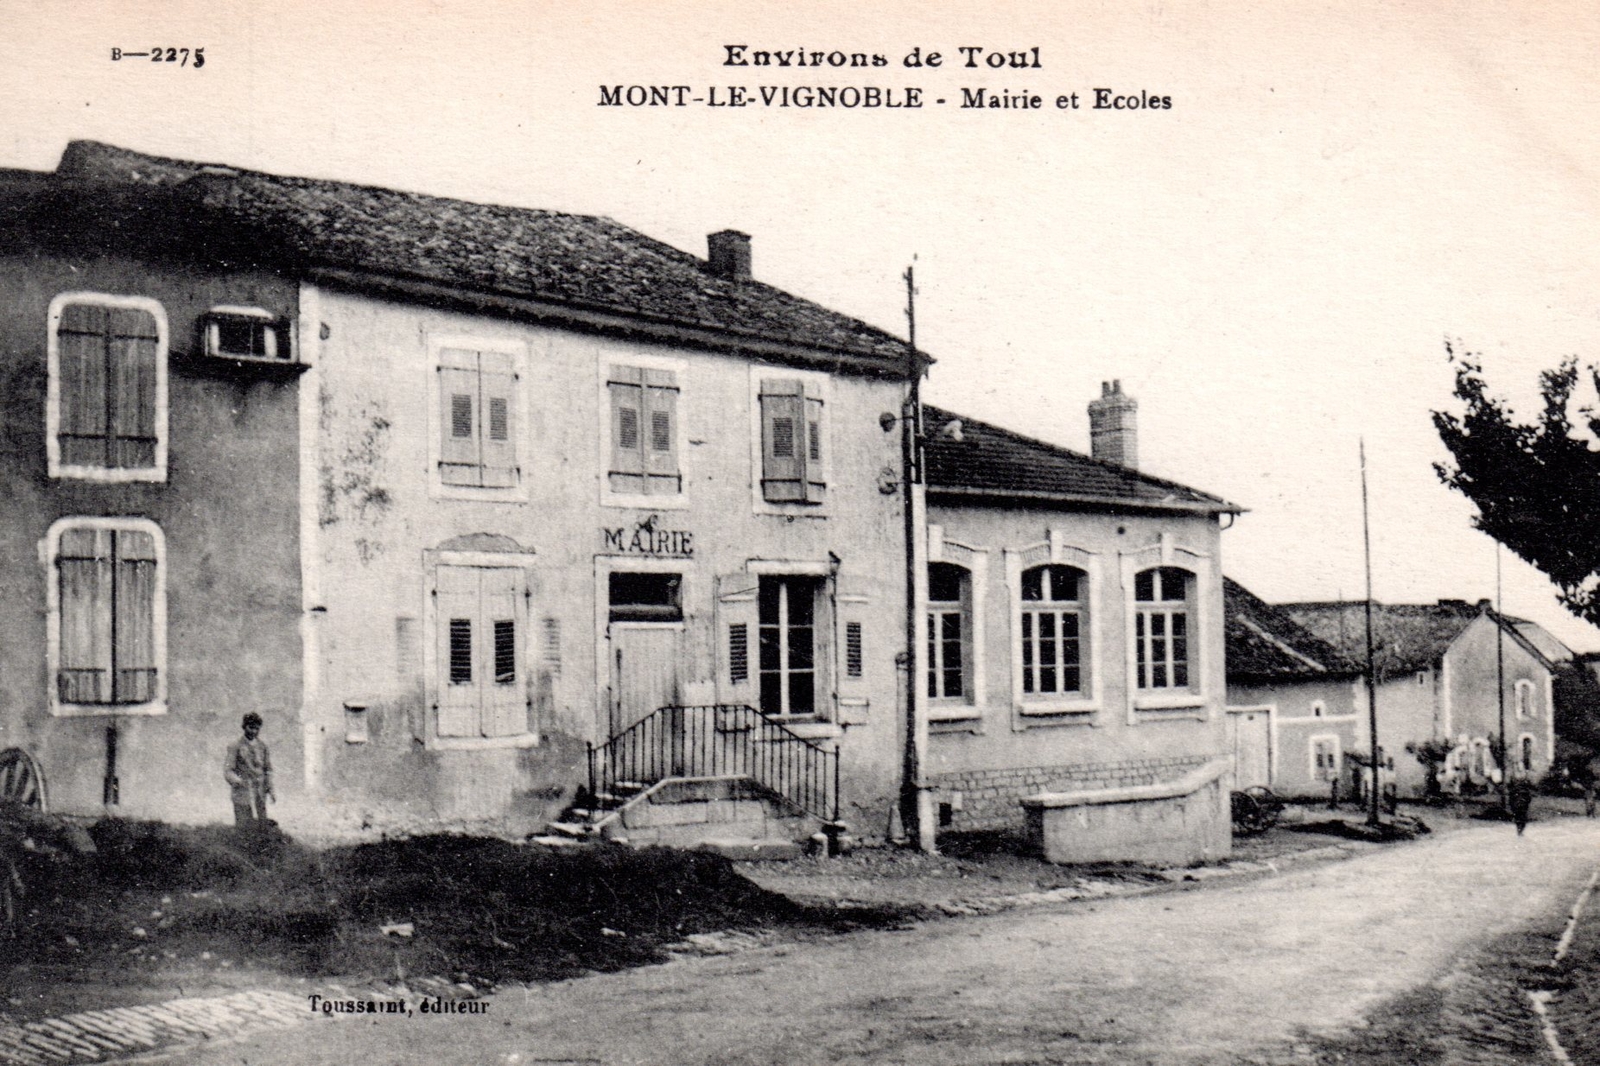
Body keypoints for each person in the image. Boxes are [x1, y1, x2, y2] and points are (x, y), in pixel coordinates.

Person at [224, 713, 274, 829]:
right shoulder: (235, 746)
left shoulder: (262, 747)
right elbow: (228, 770)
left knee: (261, 827)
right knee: (244, 828)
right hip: (242, 794)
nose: (254, 731)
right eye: (251, 728)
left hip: (259, 793)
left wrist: (270, 788)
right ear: (244, 727)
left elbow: (268, 769)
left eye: (257, 728)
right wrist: (238, 781)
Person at [1507, 771, 1534, 836]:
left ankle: (1519, 830)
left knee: (1519, 817)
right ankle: (1520, 830)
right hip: (1521, 802)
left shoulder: (1515, 789)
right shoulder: (1524, 788)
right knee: (1521, 817)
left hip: (1518, 802)